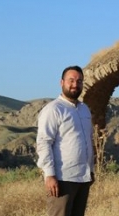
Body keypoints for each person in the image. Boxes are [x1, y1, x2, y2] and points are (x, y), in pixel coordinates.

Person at [36, 66, 94, 216]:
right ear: (61, 82)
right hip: (62, 178)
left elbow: (88, 140)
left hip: (83, 177)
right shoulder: (53, 109)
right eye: (71, 80)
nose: (75, 84)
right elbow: (43, 142)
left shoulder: (84, 109)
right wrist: (49, 175)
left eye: (79, 81)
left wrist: (91, 170)